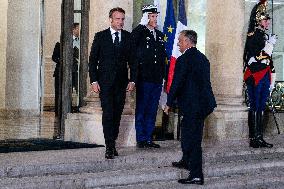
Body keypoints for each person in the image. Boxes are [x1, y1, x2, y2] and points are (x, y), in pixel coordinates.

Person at [164, 30, 216, 185]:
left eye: (180, 41)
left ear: (187, 41)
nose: (178, 44)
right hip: (203, 105)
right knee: (188, 134)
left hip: (193, 106)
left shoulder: (184, 59)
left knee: (192, 139)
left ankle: (196, 175)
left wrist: (168, 103)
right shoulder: (203, 58)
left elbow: (177, 83)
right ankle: (186, 160)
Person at [89, 7, 136, 159]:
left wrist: (133, 80)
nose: (121, 22)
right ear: (111, 19)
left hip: (121, 84)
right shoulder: (100, 36)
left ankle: (112, 142)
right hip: (105, 83)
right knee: (108, 114)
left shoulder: (128, 37)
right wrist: (94, 81)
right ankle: (109, 146)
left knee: (117, 115)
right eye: (118, 19)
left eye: (122, 19)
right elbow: (92, 61)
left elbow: (134, 62)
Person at [131, 5, 167, 148]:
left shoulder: (159, 35)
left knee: (152, 109)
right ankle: (141, 138)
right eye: (152, 16)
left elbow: (163, 57)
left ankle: (148, 137)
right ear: (146, 17)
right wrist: (141, 25)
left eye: (156, 16)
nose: (155, 19)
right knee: (142, 108)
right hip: (144, 78)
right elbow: (132, 45)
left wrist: (163, 76)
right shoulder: (140, 32)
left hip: (157, 78)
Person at [243, 0, 276, 148]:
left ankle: (259, 137)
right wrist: (269, 45)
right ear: (258, 20)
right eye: (265, 19)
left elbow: (267, 59)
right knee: (255, 105)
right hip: (255, 75)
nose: (267, 22)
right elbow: (254, 57)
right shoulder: (254, 35)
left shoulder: (262, 35)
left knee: (261, 106)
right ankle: (254, 138)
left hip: (264, 74)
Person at [52, 23, 80, 116]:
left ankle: (71, 111)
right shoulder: (60, 43)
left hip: (75, 72)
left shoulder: (80, 42)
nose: (79, 31)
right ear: (73, 29)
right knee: (59, 92)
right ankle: (58, 113)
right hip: (61, 72)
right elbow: (54, 57)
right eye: (78, 29)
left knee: (76, 91)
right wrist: (64, 61)